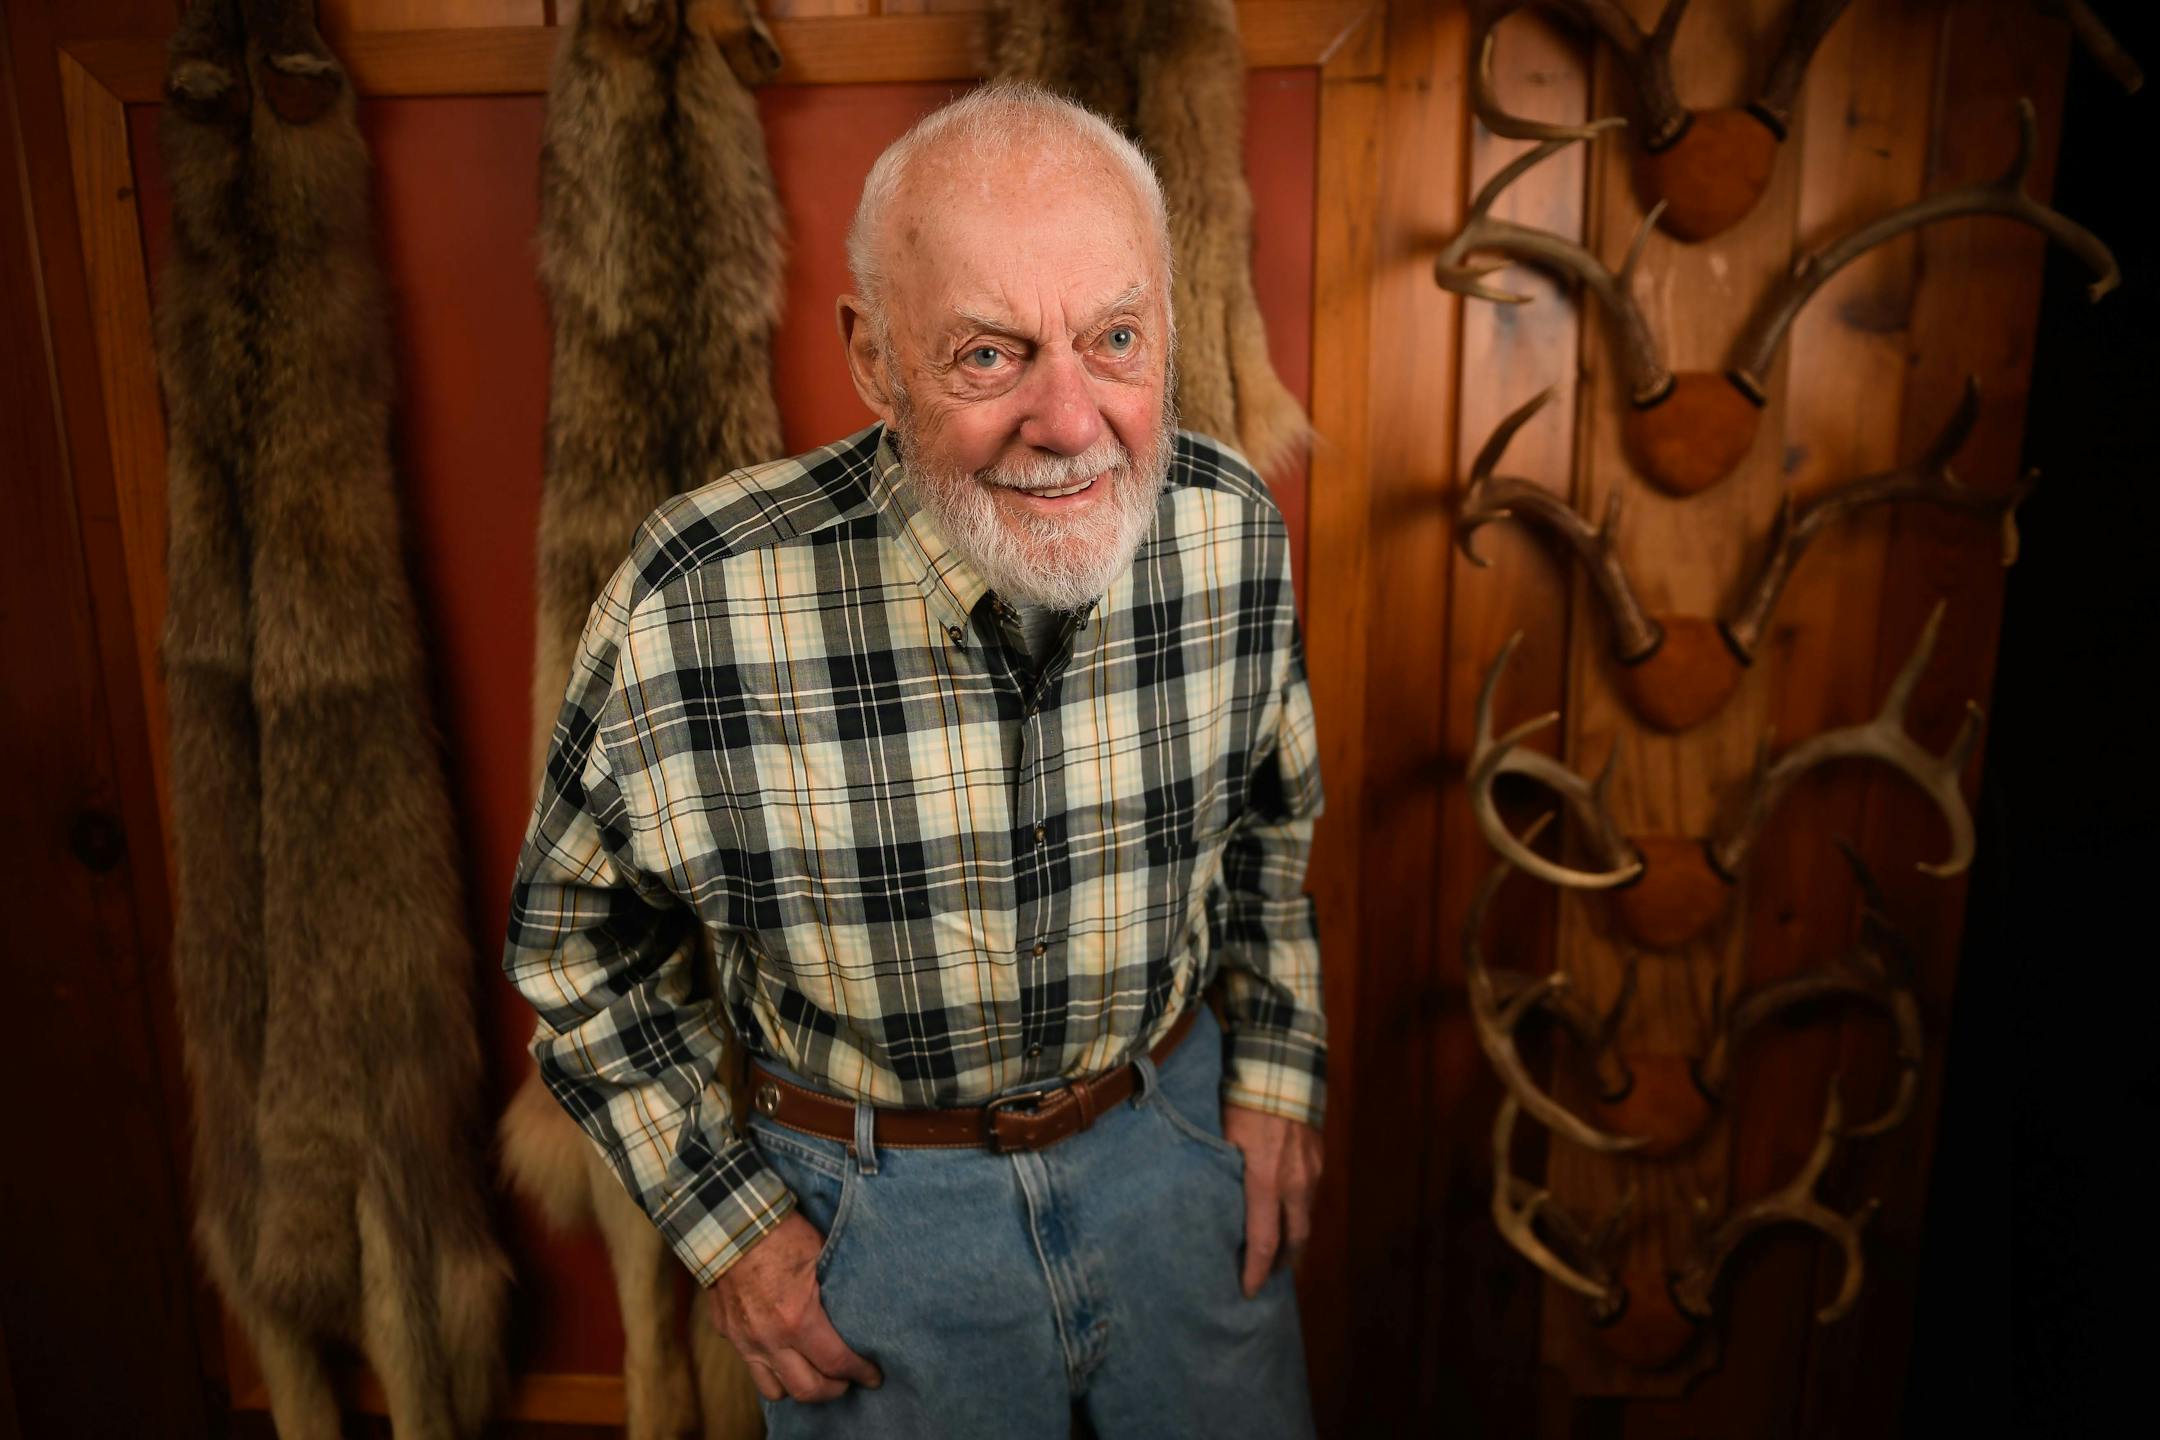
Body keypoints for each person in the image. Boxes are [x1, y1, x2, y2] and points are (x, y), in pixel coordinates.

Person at [504, 83, 1327, 1439]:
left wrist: (1277, 1075)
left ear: (1167, 325)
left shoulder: (1231, 528)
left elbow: (1271, 834)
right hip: (869, 1220)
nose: (1073, 422)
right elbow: (572, 948)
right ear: (875, 358)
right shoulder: (698, 598)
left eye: (1115, 338)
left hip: (1174, 1155)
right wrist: (727, 1224)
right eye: (991, 355)